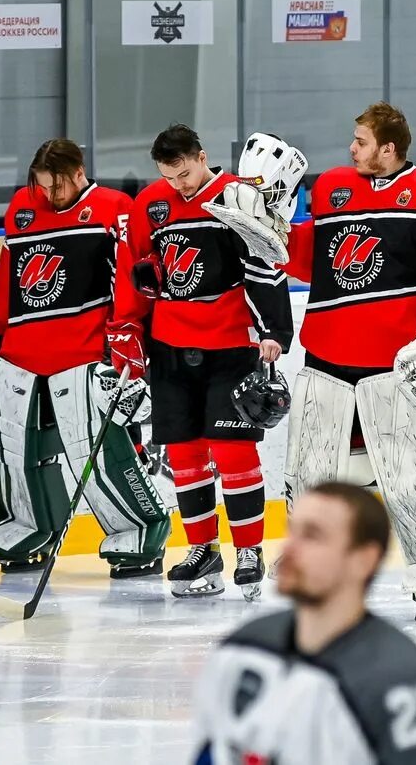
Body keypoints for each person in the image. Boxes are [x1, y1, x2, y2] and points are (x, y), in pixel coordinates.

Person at [256, 102, 416, 622]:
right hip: (328, 355)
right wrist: (265, 222)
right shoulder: (334, 187)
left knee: (412, 474)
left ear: (389, 147)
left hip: (398, 364)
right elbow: (308, 258)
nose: (351, 148)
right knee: (312, 472)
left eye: (361, 140)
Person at [0, 139, 171, 576]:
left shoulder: (114, 206)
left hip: (82, 351)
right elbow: (10, 275)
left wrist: (127, 343)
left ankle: (137, 532)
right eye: (42, 186)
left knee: (92, 452)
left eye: (56, 186)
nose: (49, 195)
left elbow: (128, 281)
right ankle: (24, 526)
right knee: (8, 446)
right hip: (20, 350)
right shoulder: (23, 207)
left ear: (79, 172)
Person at [113, 125, 293, 600]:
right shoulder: (150, 203)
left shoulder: (236, 195)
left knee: (232, 451)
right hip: (170, 345)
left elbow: (265, 263)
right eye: (169, 176)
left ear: (202, 157)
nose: (180, 184)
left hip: (230, 344)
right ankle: (202, 549)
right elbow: (136, 268)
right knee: (185, 456)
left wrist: (273, 331)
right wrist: (128, 327)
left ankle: (249, 549)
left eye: (186, 172)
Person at [192, 482, 416, 765]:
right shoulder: (241, 649)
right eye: (293, 532)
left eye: (313, 536)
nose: (290, 548)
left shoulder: (397, 682)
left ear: (363, 559)